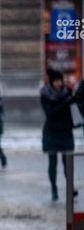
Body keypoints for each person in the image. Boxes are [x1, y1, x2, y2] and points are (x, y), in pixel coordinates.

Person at [40, 69, 77, 201]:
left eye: (60, 80)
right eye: (56, 81)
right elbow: (50, 113)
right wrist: (65, 103)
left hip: (65, 131)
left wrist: (72, 97)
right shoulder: (45, 94)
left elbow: (74, 106)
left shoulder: (67, 92)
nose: (58, 83)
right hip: (51, 132)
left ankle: (71, 188)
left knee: (68, 163)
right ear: (51, 82)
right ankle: (54, 189)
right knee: (53, 162)